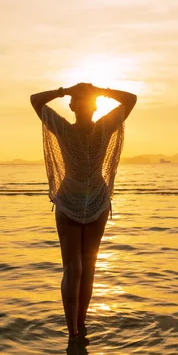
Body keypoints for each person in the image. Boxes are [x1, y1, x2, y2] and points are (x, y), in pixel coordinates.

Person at [30, 82, 137, 340]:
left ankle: (73, 330)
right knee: (87, 268)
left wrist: (64, 91)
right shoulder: (104, 127)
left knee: (73, 269)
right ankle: (81, 325)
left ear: (72, 106)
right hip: (96, 201)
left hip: (71, 200)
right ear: (95, 105)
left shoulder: (64, 128)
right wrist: (101, 90)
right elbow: (131, 99)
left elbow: (35, 100)